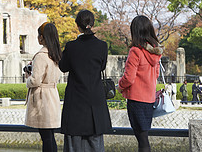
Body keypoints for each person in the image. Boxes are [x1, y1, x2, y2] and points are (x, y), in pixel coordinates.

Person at [59, 10, 112, 152]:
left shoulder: (71, 46)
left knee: (73, 142)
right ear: (92, 24)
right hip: (95, 98)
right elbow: (101, 67)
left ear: (78, 26)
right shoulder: (102, 46)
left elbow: (63, 67)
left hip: (75, 99)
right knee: (95, 141)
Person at [118, 15, 163, 152]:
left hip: (136, 99)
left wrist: (120, 86)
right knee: (144, 137)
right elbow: (156, 75)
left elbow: (129, 78)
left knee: (142, 139)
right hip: (149, 99)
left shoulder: (135, 51)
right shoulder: (155, 52)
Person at [25, 22, 62, 152]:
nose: (37, 37)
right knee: (50, 136)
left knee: (46, 137)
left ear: (42, 37)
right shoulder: (55, 54)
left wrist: (27, 78)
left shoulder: (41, 56)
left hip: (42, 98)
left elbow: (35, 80)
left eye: (39, 35)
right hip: (52, 94)